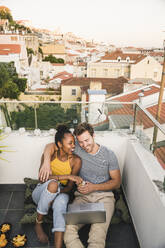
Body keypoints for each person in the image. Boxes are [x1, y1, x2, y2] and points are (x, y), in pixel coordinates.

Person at [40, 122, 121, 248]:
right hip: (82, 197)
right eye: (81, 142)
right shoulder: (77, 146)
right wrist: (46, 161)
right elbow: (51, 145)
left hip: (104, 197)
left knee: (97, 236)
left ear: (93, 135)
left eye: (87, 140)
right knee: (68, 231)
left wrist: (93, 187)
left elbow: (117, 182)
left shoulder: (109, 154)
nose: (84, 145)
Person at [32, 124, 82, 248]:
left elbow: (69, 188)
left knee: (60, 204)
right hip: (41, 193)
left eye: (74, 143)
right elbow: (42, 179)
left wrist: (56, 193)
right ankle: (38, 224)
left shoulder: (76, 161)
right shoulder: (50, 155)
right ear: (60, 145)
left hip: (62, 193)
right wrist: (67, 176)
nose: (73, 146)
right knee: (53, 184)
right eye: (70, 143)